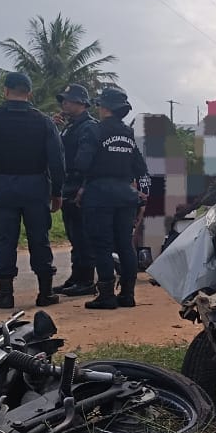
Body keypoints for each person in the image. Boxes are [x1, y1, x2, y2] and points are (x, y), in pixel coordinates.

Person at [0, 72, 65, 309]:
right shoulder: (43, 121)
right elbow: (57, 160)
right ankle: (45, 292)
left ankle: (6, 295)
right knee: (39, 239)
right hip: (35, 187)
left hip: (2, 187)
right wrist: (57, 191)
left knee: (5, 240)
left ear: (5, 91)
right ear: (29, 93)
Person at [75, 85, 148, 310]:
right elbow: (140, 166)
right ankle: (127, 294)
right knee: (126, 244)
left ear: (104, 107)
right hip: (126, 195)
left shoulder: (95, 131)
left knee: (102, 246)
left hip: (99, 195)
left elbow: (81, 163)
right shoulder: (128, 133)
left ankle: (106, 295)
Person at [52, 84, 99, 297]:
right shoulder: (69, 126)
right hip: (68, 185)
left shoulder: (89, 126)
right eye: (63, 100)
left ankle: (87, 280)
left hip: (81, 186)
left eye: (69, 100)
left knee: (83, 236)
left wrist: (83, 187)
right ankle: (76, 277)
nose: (64, 104)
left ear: (81, 103)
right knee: (74, 236)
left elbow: (88, 162)